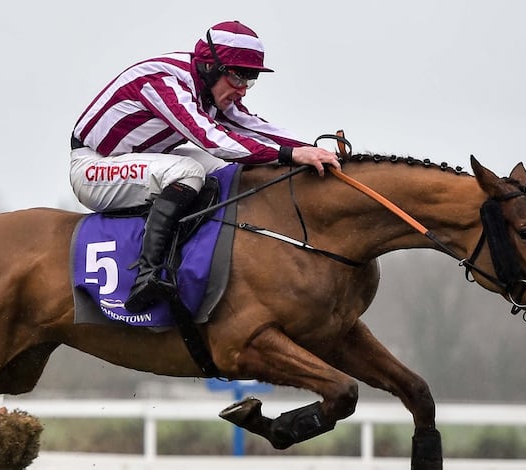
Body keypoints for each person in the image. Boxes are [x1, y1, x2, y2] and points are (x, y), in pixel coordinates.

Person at [70, 20, 340, 313]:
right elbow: (211, 139)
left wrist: (310, 150)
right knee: (191, 171)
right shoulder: (164, 81)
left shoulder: (209, 91)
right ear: (210, 67)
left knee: (222, 171)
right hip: (93, 168)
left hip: (138, 160)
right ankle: (147, 275)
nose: (243, 90)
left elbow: (251, 126)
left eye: (250, 80)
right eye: (239, 77)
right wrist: (289, 155)